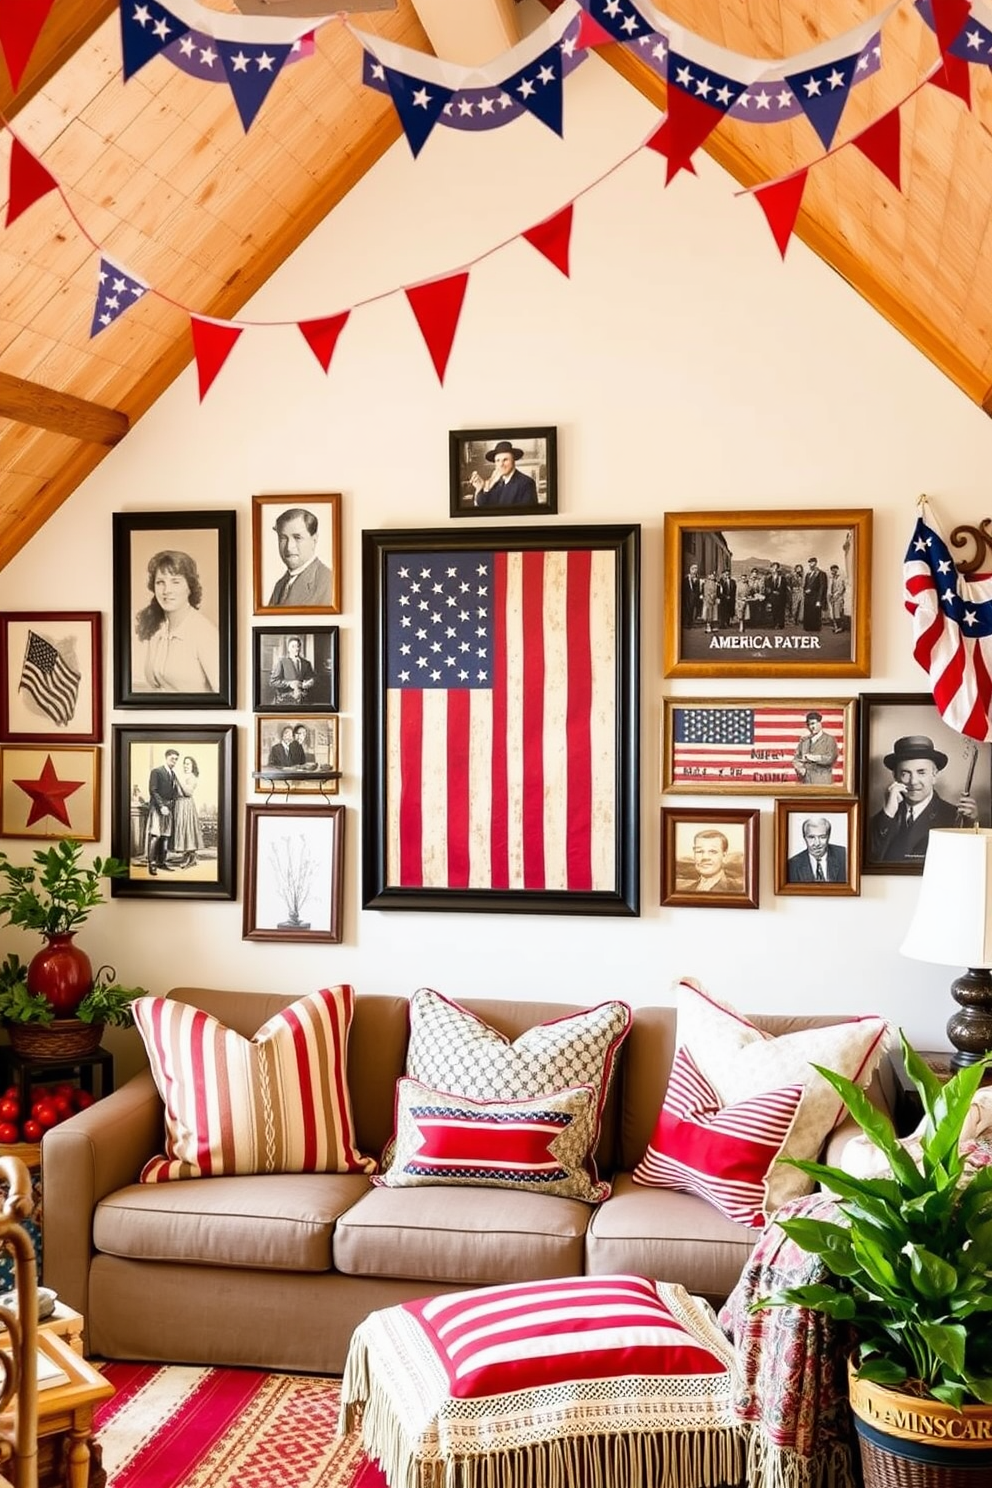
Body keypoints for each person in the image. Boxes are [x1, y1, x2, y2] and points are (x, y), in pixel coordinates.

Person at [869, 736, 978, 864]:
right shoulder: (883, 818)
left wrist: (972, 823)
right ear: (895, 776)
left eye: (921, 772)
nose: (913, 782)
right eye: (905, 773)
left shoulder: (955, 818)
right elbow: (871, 859)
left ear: (934, 775)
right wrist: (888, 814)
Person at [136, 550, 220, 693]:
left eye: (175, 582)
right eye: (160, 582)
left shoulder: (205, 633)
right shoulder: (157, 629)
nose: (167, 590)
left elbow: (224, 696)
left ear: (189, 587)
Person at [268, 508, 333, 607]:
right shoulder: (280, 585)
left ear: (314, 540)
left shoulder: (329, 582)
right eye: (283, 538)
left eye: (297, 537)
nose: (289, 547)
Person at [469, 440, 538, 508]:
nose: (501, 464)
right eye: (498, 460)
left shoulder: (526, 483)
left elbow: (528, 514)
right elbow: (484, 506)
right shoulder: (495, 482)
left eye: (505, 460)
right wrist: (480, 488)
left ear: (513, 461)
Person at [146, 748, 180, 875]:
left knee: (165, 836)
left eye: (176, 759)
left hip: (169, 808)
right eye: (172, 759)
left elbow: (174, 792)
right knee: (155, 835)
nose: (174, 761)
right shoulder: (156, 772)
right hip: (157, 807)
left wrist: (172, 805)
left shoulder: (173, 774)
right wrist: (161, 806)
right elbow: (153, 790)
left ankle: (161, 862)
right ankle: (152, 864)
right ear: (166, 758)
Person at [676, 829, 743, 893]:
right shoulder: (684, 890)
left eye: (712, 851)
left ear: (724, 856)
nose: (705, 857)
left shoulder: (739, 890)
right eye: (699, 851)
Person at [787, 817, 847, 884]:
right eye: (811, 837)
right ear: (804, 838)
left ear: (829, 837)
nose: (817, 843)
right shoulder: (792, 865)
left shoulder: (845, 856)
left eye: (822, 837)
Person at [171, 755, 204, 870]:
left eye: (188, 763)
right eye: (184, 763)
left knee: (187, 829)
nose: (185, 765)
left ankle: (191, 856)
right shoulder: (182, 776)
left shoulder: (192, 777)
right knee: (180, 829)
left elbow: (188, 792)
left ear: (192, 766)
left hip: (186, 805)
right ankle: (187, 856)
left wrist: (178, 779)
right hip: (178, 805)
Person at [793, 711, 839, 784]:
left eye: (813, 723)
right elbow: (796, 759)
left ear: (820, 723)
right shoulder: (804, 741)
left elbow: (831, 758)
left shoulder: (829, 739)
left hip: (823, 781)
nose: (811, 727)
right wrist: (801, 770)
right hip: (806, 781)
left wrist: (812, 757)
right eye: (809, 725)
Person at [269, 635, 314, 704]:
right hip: (285, 701)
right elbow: (273, 682)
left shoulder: (306, 663)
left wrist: (309, 683)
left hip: (303, 701)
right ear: (288, 649)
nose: (296, 649)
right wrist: (289, 683)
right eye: (293, 646)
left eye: (298, 646)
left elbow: (311, 678)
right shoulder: (282, 662)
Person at [802, 556, 828, 633]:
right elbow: (805, 585)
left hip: (816, 597)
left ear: (816, 563)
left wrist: (819, 600)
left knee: (815, 613)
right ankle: (808, 627)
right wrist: (805, 590)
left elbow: (822, 587)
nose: (810, 564)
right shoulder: (808, 574)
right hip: (808, 597)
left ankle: (816, 629)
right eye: (809, 563)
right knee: (808, 612)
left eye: (812, 562)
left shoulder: (821, 573)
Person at [763, 562, 788, 629]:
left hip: (781, 597)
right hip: (773, 597)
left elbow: (785, 588)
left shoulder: (782, 578)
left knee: (781, 611)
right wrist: (772, 592)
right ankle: (773, 624)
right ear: (771, 569)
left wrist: (780, 593)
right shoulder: (768, 578)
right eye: (773, 568)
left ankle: (781, 625)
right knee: (774, 611)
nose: (774, 569)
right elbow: (767, 588)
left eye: (776, 568)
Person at [682, 563, 702, 629]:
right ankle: (686, 623)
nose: (695, 571)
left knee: (692, 610)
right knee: (686, 610)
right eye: (694, 569)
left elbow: (698, 589)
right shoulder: (686, 578)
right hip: (687, 597)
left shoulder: (697, 579)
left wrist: (698, 595)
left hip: (694, 597)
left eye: (696, 569)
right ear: (691, 570)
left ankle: (690, 623)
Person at [828, 565, 846, 633]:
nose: (833, 571)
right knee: (833, 613)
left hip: (838, 598)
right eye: (832, 570)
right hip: (832, 597)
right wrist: (830, 594)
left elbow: (842, 588)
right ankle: (835, 626)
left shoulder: (840, 578)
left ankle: (840, 627)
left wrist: (836, 595)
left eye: (834, 570)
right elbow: (829, 587)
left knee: (838, 613)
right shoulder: (831, 578)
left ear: (837, 570)